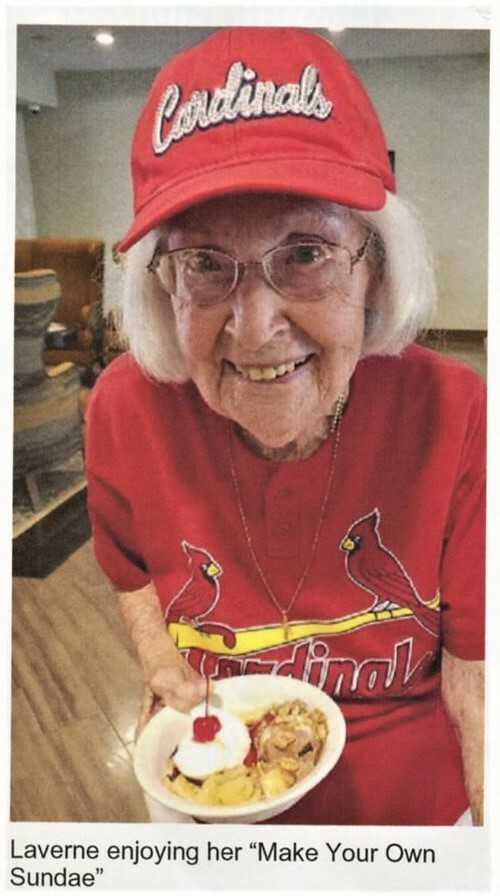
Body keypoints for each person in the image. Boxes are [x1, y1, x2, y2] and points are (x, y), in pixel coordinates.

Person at [85, 26, 485, 826]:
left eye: (305, 252)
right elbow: (128, 567)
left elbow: (475, 683)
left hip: (408, 805)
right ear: (161, 285)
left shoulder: (456, 412)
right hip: (212, 775)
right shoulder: (124, 408)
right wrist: (160, 660)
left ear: (377, 269)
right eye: (204, 263)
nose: (256, 326)